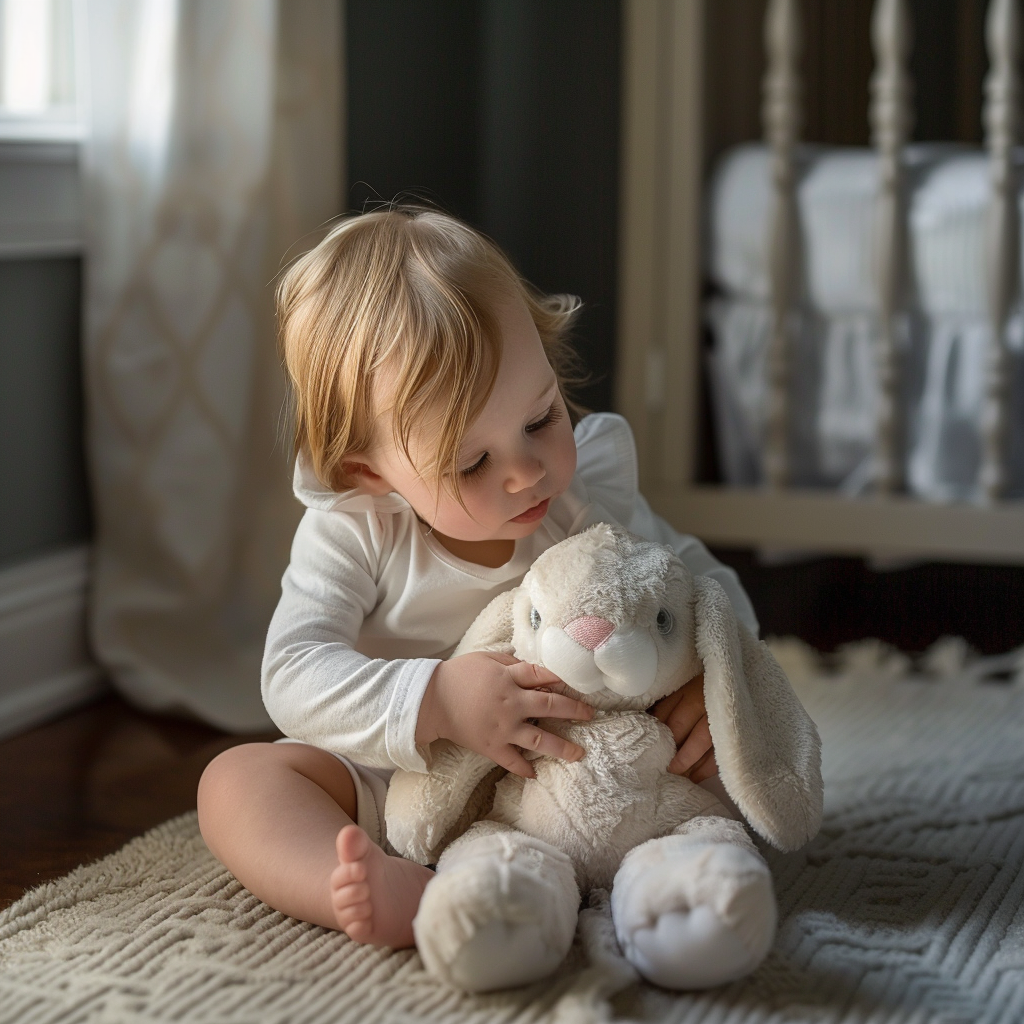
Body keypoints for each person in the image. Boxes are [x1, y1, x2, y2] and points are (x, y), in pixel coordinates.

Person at [197, 207, 760, 952]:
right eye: (471, 464)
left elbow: (703, 587)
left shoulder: (586, 496)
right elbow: (293, 673)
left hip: (559, 783)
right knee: (237, 783)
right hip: (397, 780)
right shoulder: (354, 530)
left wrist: (708, 679)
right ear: (371, 471)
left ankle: (667, 883)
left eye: (541, 419)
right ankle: (382, 892)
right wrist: (434, 700)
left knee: (727, 760)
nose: (527, 472)